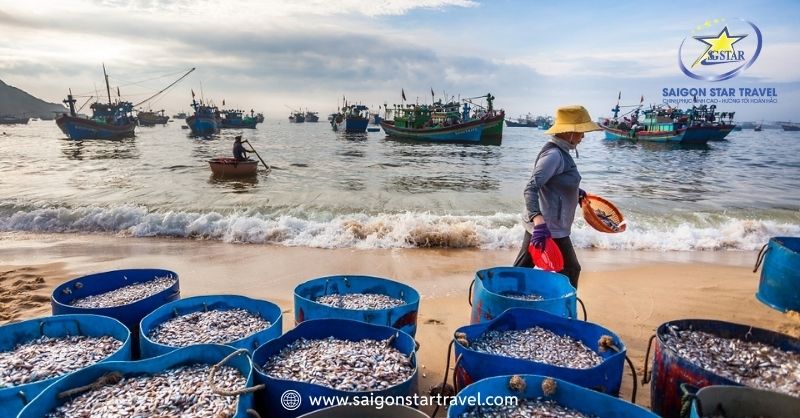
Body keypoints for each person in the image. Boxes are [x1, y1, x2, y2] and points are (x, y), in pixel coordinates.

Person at [513, 105, 601, 289]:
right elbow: (531, 188)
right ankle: (565, 311)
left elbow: (555, 184)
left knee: (523, 270)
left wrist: (577, 193)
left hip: (551, 225)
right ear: (569, 132)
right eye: (581, 131)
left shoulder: (562, 153)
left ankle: (510, 299)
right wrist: (538, 222)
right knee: (570, 269)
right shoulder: (554, 155)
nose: (583, 136)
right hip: (546, 227)